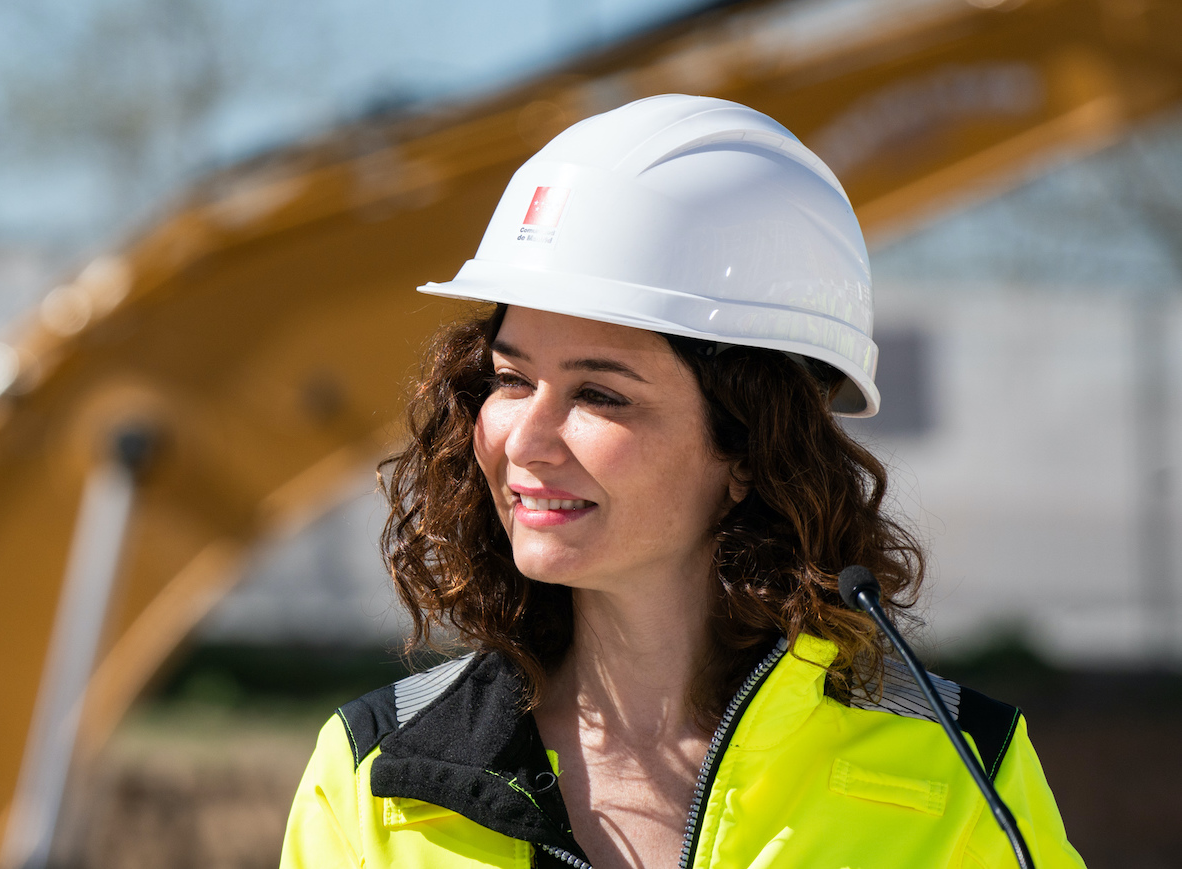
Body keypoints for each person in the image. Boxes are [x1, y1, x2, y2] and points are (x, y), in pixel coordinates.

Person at [280, 95, 1084, 868]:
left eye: (599, 393)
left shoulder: (961, 769)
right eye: (510, 378)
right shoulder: (373, 776)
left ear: (749, 446)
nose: (523, 437)